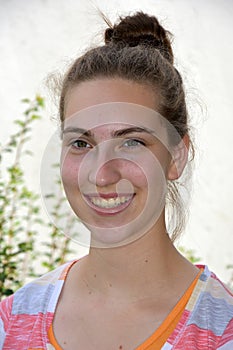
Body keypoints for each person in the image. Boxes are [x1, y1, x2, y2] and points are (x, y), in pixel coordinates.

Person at [0, 11, 233, 350]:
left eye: (132, 142)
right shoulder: (11, 323)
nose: (101, 174)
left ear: (177, 156)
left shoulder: (223, 332)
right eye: (81, 143)